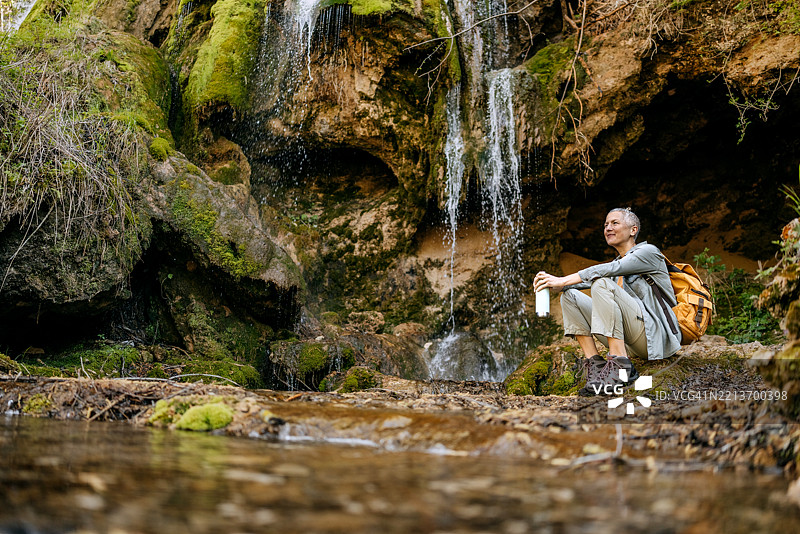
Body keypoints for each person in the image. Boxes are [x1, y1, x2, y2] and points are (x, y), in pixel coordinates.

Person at [533, 208, 681, 396]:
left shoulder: (648, 252)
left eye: (614, 223)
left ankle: (622, 366)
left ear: (633, 230)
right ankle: (596, 365)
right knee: (570, 295)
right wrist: (553, 284)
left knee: (601, 283)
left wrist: (563, 280)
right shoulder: (616, 265)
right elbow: (590, 279)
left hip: (654, 338)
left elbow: (610, 269)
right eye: (605, 225)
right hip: (631, 340)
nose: (608, 228)